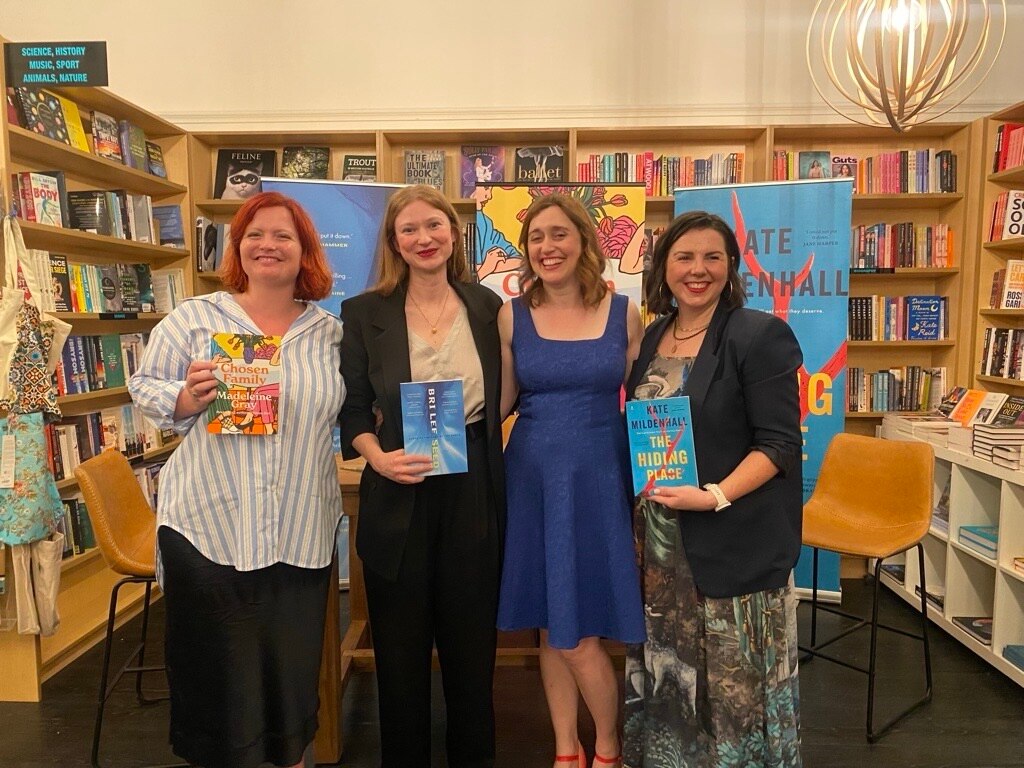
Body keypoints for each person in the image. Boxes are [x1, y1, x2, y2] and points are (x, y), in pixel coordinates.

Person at [128, 191, 344, 768]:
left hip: (299, 530)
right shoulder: (195, 318)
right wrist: (184, 396)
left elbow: (350, 411)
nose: (267, 245)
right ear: (238, 247)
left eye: (283, 236)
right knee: (220, 687)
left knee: (291, 683)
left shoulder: (328, 332)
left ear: (305, 252)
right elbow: (145, 387)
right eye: (255, 234)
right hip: (208, 528)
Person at [622, 210, 803, 767]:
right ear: (664, 266)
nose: (697, 270)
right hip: (659, 546)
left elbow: (778, 445)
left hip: (730, 540)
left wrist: (717, 493)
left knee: (733, 692)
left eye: (712, 257)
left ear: (731, 267)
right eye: (684, 257)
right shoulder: (654, 334)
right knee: (670, 678)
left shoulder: (758, 334)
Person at [338, 184, 505, 768]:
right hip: (397, 485)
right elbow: (353, 408)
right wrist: (376, 456)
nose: (424, 238)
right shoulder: (363, 313)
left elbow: (509, 393)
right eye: (409, 229)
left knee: (471, 656)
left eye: (434, 225)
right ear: (394, 242)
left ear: (454, 233)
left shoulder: (488, 307)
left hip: (473, 491)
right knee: (400, 659)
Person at [497, 193, 646, 768]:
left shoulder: (623, 312)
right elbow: (505, 400)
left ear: (583, 241)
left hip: (601, 479)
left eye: (558, 234)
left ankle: (607, 747)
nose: (547, 247)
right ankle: (566, 749)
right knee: (550, 625)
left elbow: (645, 402)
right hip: (532, 477)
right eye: (536, 237)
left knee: (580, 633)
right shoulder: (511, 315)